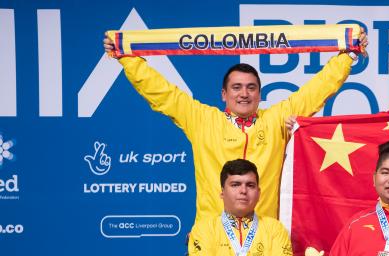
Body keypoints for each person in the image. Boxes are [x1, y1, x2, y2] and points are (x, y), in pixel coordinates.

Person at [103, 32, 367, 224]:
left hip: (265, 240)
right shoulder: (202, 119)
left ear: (260, 94)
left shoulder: (275, 120)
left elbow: (314, 91)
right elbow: (161, 92)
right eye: (236, 88)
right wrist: (127, 58)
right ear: (223, 94)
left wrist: (347, 55)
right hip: (213, 237)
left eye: (251, 88)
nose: (244, 94)